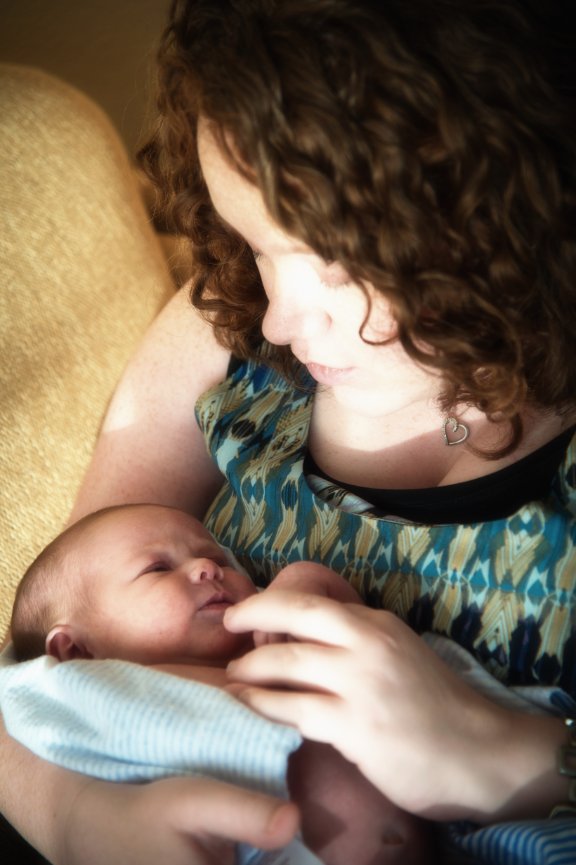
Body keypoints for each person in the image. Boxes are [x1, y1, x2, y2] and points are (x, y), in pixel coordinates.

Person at [1, 1, 576, 864]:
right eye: (257, 242)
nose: (274, 319)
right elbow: (42, 656)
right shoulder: (227, 313)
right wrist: (78, 817)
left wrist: (508, 752)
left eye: (336, 259)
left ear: (497, 223)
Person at [7, 501, 434, 865]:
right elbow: (14, 695)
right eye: (157, 568)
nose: (206, 567)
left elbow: (364, 638)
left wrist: (308, 581)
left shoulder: (272, 636)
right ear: (76, 651)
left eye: (220, 559)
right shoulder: (88, 695)